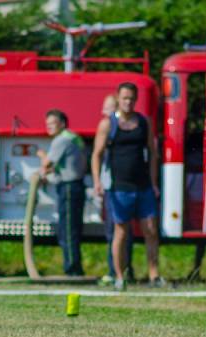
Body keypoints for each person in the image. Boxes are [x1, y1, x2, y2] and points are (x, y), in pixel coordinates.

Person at [91, 82, 164, 290]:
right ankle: (120, 277)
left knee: (150, 230)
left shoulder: (144, 122)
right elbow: (96, 154)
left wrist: (154, 183)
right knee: (121, 232)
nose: (128, 102)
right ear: (118, 98)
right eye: (124, 98)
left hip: (143, 185)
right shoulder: (108, 124)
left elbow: (152, 153)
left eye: (132, 98)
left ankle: (154, 275)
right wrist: (97, 181)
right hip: (118, 187)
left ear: (136, 99)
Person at [36, 109, 87, 276]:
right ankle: (74, 267)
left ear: (62, 124)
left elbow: (48, 163)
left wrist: (42, 155)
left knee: (67, 230)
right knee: (73, 229)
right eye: (47, 124)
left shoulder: (62, 139)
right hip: (76, 186)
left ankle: (72, 269)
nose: (49, 127)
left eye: (53, 123)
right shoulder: (73, 137)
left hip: (69, 188)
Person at [98, 94, 133, 285]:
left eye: (108, 108)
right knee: (114, 232)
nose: (105, 113)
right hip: (110, 187)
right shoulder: (108, 129)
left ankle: (118, 271)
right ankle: (117, 270)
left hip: (118, 187)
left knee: (118, 232)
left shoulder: (118, 129)